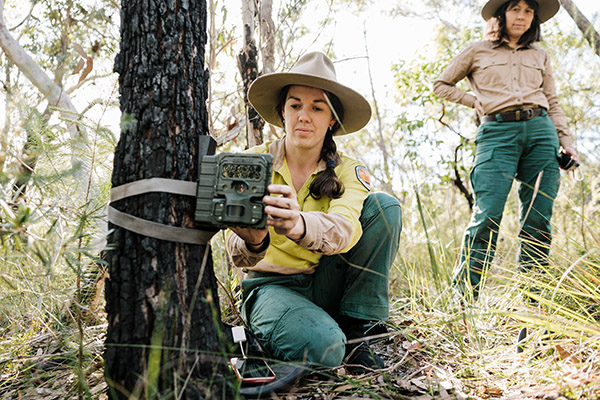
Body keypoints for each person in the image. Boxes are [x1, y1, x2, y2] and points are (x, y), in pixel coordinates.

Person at [227, 51, 402, 372]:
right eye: (295, 105)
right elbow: (236, 254)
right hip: (271, 287)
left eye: (317, 108)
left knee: (385, 207)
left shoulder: (349, 170)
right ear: (282, 111)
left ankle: (358, 332)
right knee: (326, 349)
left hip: (325, 278)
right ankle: (288, 335)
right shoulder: (251, 162)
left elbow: (346, 230)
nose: (304, 116)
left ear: (331, 118)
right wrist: (254, 242)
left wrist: (297, 224)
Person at [433, 0, 579, 302]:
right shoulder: (477, 51)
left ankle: (534, 299)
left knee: (538, 218)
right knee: (488, 214)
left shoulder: (540, 55)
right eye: (516, 9)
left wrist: (568, 144)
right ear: (501, 14)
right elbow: (441, 84)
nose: (522, 17)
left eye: (528, 11)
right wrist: (471, 100)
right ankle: (463, 301)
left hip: (541, 132)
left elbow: (552, 101)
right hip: (497, 133)